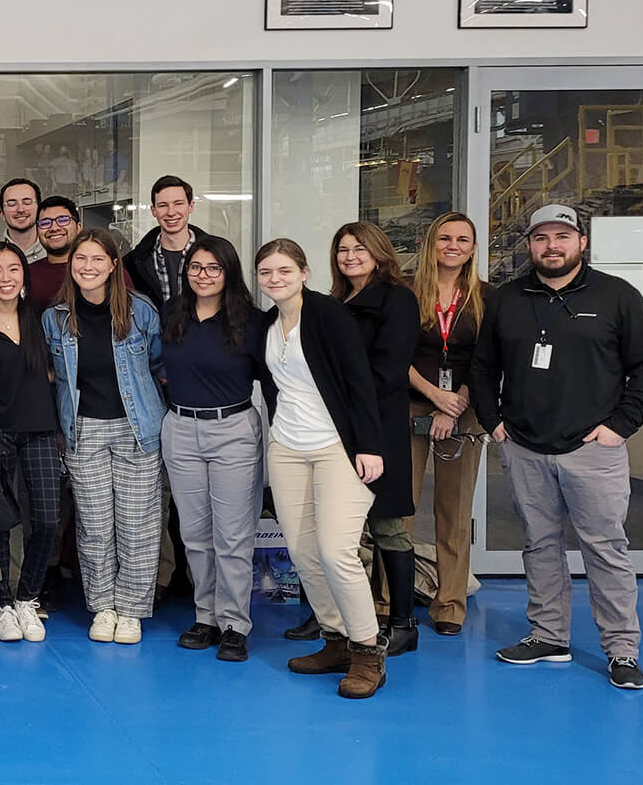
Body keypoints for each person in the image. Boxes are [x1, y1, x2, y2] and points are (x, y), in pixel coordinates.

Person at [470, 203, 643, 691]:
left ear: (582, 243)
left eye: (562, 237)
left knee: (605, 549)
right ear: (529, 245)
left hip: (592, 449)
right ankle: (548, 635)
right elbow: (481, 367)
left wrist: (619, 427)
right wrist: (495, 424)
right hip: (524, 447)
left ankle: (621, 649)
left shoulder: (617, 296)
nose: (551, 246)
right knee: (539, 545)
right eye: (541, 238)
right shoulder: (508, 299)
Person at [254, 239, 388, 700]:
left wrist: (369, 446)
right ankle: (335, 640)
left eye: (284, 270)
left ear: (304, 272)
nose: (275, 279)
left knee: (336, 552)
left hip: (337, 447)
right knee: (303, 552)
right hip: (288, 447)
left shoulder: (330, 315)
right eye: (266, 272)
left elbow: (359, 381)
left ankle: (369, 653)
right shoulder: (269, 325)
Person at [44, 228, 166, 644]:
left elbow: (157, 364)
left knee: (138, 525)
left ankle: (130, 610)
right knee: (95, 527)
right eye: (81, 259)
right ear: (71, 265)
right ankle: (103, 607)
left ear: (114, 265)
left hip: (137, 430)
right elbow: (53, 376)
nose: (88, 267)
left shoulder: (141, 312)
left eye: (98, 259)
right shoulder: (56, 318)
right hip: (84, 431)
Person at [159, 235, 269, 662]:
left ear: (229, 273)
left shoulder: (252, 321)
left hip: (234, 429)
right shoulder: (173, 313)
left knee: (233, 534)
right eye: (195, 268)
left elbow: (274, 378)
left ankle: (235, 625)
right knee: (194, 534)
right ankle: (205, 616)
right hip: (181, 429)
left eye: (213, 268)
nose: (203, 276)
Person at [332, 221, 422, 655]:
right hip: (336, 430)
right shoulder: (335, 301)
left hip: (379, 427)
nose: (350, 256)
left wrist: (340, 391)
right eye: (343, 249)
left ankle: (403, 622)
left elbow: (389, 369)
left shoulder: (397, 299)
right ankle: (344, 617)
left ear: (379, 252)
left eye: (359, 249)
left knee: (387, 526)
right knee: (339, 532)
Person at [407, 212, 491, 636]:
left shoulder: (486, 298)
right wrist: (432, 395)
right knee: (399, 511)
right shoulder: (406, 293)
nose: (452, 245)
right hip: (409, 406)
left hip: (465, 409)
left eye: (462, 239)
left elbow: (488, 360)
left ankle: (450, 604)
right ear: (430, 243)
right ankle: (391, 600)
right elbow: (390, 354)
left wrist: (453, 403)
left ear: (474, 248)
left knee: (454, 514)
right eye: (444, 238)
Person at [0, 241, 55, 642]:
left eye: (13, 270)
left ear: (24, 275)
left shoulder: (42, 319)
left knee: (47, 520)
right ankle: (3, 603)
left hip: (40, 430)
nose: (6, 278)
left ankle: (28, 598)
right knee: (1, 525)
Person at [125, 176, 207, 310]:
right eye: (163, 205)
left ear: (191, 206)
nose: (171, 212)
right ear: (153, 210)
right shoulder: (133, 263)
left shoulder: (217, 256)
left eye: (178, 203)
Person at [29, 195, 79, 306]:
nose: (54, 228)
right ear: (37, 232)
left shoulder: (100, 270)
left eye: (63, 220)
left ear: (78, 227)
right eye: (45, 223)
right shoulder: (26, 274)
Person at [0, 178, 46, 262]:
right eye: (12, 204)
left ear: (39, 209)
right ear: (2, 214)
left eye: (27, 202)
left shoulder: (55, 253)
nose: (20, 209)